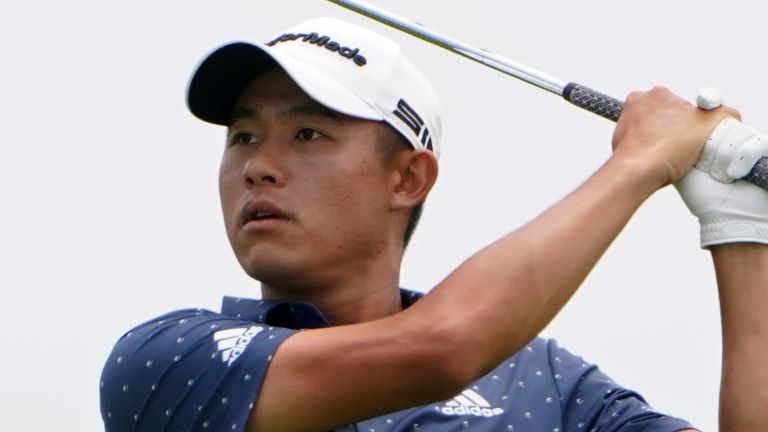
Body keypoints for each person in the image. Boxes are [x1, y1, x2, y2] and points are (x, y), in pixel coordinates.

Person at [99, 17, 768, 432]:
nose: (259, 167)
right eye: (243, 137)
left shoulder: (550, 385)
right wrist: (641, 163)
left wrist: (739, 227)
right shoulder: (169, 358)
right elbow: (442, 348)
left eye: (306, 133)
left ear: (407, 178)